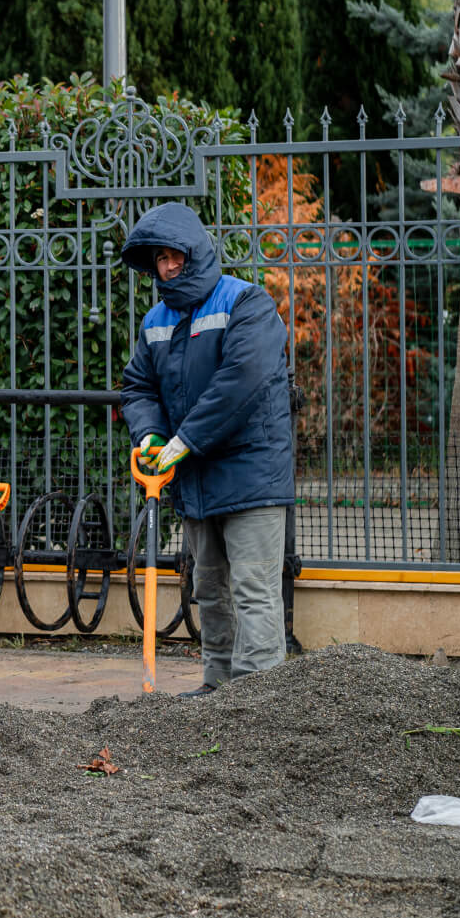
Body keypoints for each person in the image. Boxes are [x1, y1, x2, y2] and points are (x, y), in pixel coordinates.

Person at [119, 202, 293, 697]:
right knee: (210, 589)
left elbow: (242, 383)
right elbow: (138, 386)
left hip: (250, 473)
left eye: (175, 255)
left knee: (255, 590)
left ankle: (257, 697)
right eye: (159, 260)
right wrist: (150, 435)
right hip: (194, 476)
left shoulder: (246, 303)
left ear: (196, 252)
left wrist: (183, 441)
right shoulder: (156, 320)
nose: (167, 267)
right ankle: (218, 687)